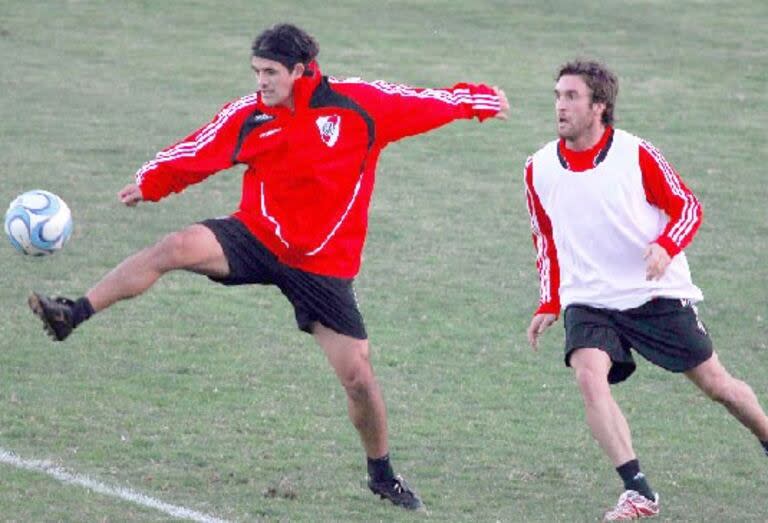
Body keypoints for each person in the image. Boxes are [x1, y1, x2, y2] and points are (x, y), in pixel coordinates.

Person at [28, 23, 509, 511]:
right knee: (174, 247)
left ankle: (382, 475)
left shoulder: (360, 106)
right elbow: (199, 150)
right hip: (256, 236)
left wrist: (479, 101)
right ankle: (73, 313)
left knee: (358, 377)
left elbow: (425, 102)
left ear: (300, 71)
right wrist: (151, 183)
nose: (261, 81)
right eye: (256, 71)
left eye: (270, 72)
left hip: (323, 265)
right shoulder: (251, 115)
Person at [523, 59, 768, 521]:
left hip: (652, 294)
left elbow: (688, 208)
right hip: (590, 297)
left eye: (572, 97)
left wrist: (665, 245)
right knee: (588, 375)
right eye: (557, 95)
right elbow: (545, 239)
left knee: (718, 386)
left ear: (600, 106)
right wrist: (550, 300)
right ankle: (637, 490)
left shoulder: (636, 154)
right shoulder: (537, 168)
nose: (560, 105)